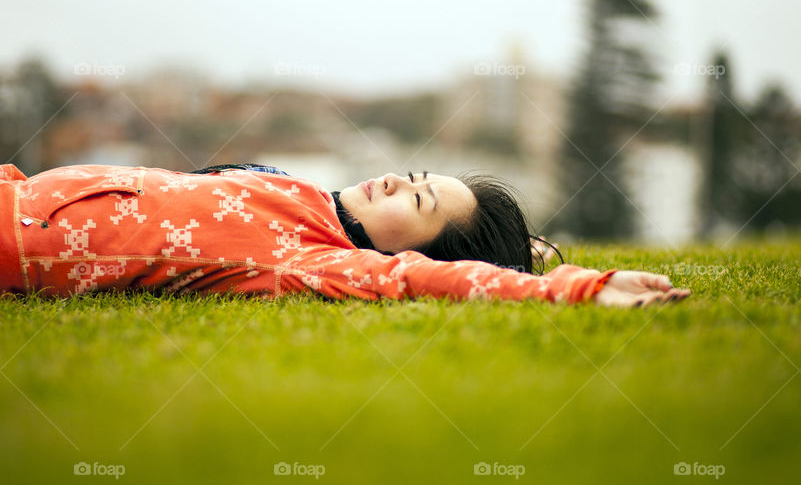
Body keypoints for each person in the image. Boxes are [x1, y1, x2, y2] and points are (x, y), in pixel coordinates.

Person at [0, 163, 690, 307]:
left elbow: (428, 279)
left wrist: (574, 288)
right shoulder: (310, 197)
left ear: (409, 249)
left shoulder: (319, 259)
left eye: (417, 202)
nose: (394, 181)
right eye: (414, 174)